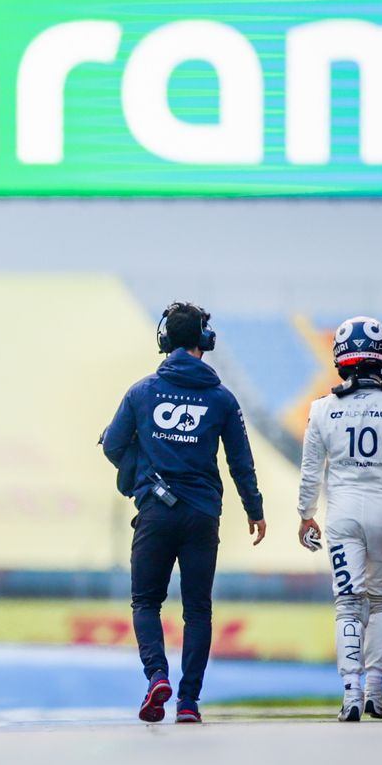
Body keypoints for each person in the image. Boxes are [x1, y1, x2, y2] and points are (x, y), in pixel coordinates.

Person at [101, 301, 266, 724]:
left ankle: (157, 676)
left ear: (165, 341)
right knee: (197, 610)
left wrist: (142, 473)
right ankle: (189, 702)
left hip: (155, 513)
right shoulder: (222, 399)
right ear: (204, 342)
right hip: (202, 516)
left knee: (145, 602)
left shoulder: (141, 392)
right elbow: (240, 462)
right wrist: (254, 509)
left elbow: (113, 445)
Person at [296, 316, 382, 722]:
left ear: (341, 358)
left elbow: (311, 472)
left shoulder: (321, 409)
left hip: (342, 513)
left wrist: (305, 515)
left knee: (348, 604)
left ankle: (350, 692)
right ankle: (376, 692)